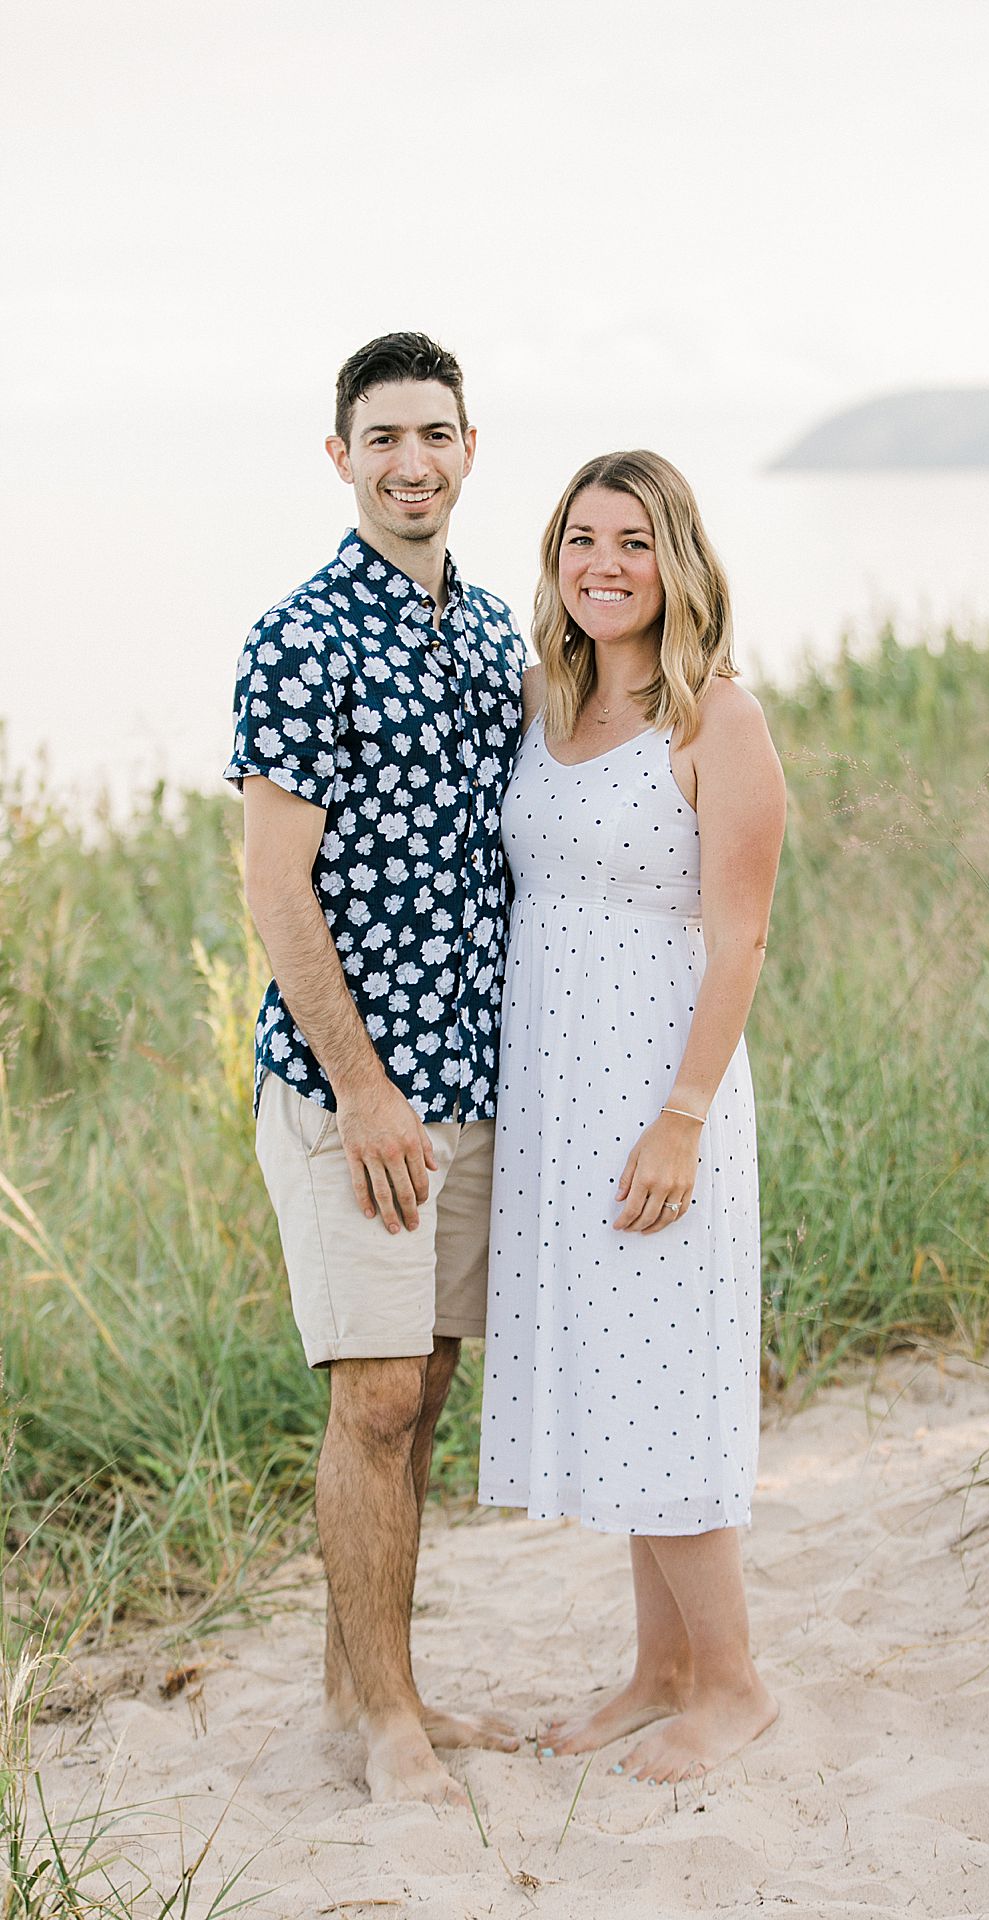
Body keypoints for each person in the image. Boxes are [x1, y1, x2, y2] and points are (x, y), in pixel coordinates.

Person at [224, 332, 525, 1805]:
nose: (414, 461)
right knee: (378, 1396)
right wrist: (362, 1090)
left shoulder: (492, 637)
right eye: (384, 437)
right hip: (358, 1091)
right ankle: (388, 1725)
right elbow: (277, 890)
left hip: (471, 1076)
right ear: (341, 458)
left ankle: (367, 1687)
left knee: (430, 1381)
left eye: (438, 434)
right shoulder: (300, 636)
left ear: (471, 450)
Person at [478, 450, 786, 1783]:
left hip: (662, 1097)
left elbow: (743, 938)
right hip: (559, 1096)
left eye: (635, 541)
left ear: (679, 563)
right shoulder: (548, 705)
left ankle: (733, 1684)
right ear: (557, 558)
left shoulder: (719, 720)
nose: (605, 563)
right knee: (617, 1378)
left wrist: (684, 1116)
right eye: (583, 538)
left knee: (665, 1381)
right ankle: (660, 1669)